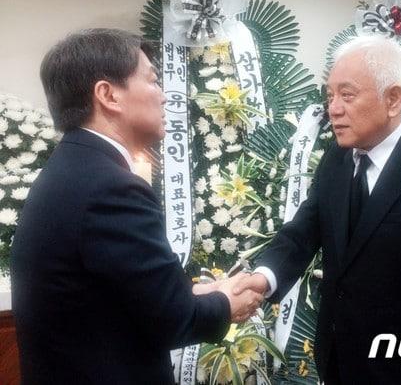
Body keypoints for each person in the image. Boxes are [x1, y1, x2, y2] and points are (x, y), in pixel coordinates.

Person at [10, 28, 263, 385]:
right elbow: (174, 321)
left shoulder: (70, 170)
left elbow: (114, 301)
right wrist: (227, 304)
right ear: (108, 95)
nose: (164, 96)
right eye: (153, 81)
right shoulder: (111, 188)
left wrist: (200, 294)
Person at [235, 35, 401, 384]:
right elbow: (303, 232)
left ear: (393, 99)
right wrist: (263, 278)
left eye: (347, 95)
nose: (334, 109)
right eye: (330, 96)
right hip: (338, 361)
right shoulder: (337, 160)